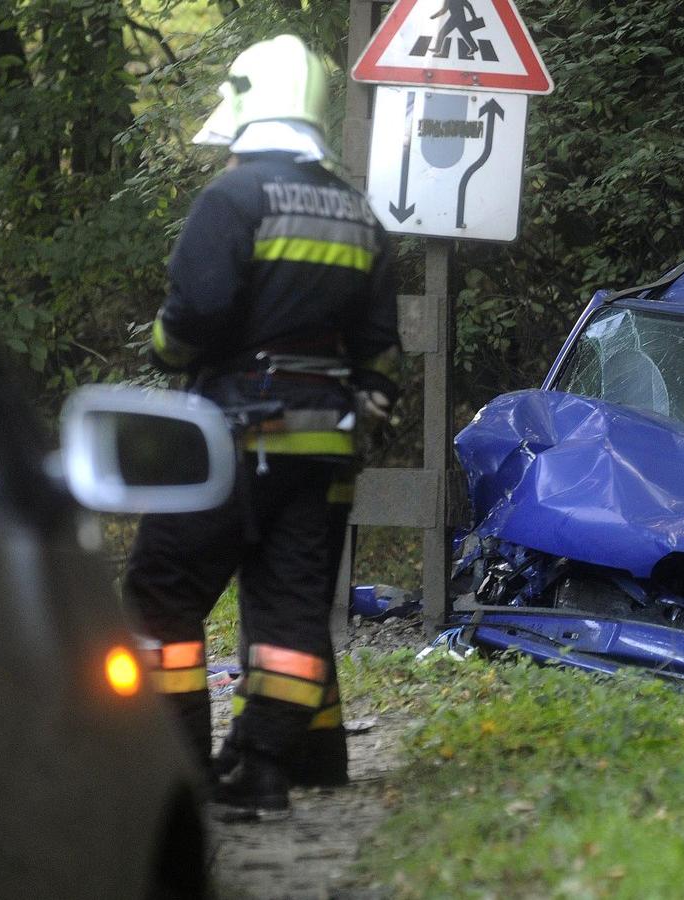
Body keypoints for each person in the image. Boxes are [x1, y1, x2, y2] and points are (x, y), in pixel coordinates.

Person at [124, 34, 399, 819]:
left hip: (229, 442)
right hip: (321, 452)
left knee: (161, 595)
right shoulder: (358, 213)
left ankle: (174, 765)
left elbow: (194, 320)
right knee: (289, 611)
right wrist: (359, 424)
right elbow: (383, 355)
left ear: (245, 104)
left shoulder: (233, 199)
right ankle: (265, 768)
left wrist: (166, 348)